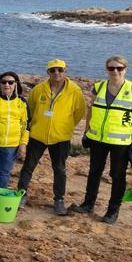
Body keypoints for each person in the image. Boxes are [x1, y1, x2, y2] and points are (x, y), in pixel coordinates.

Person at [71, 56, 132, 225]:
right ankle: (88, 204)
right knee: (94, 172)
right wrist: (86, 132)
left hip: (121, 142)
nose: (115, 71)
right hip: (97, 139)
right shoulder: (98, 87)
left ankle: (112, 212)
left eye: (119, 68)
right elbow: (91, 110)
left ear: (125, 69)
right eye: (112, 68)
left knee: (117, 176)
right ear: (107, 69)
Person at [17, 60, 87, 216]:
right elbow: (30, 109)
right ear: (48, 72)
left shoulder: (74, 91)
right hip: (37, 135)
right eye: (53, 70)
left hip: (60, 137)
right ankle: (21, 194)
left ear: (65, 71)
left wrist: (65, 126)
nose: (56, 73)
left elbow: (79, 113)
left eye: (60, 70)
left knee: (60, 169)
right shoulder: (39, 89)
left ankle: (59, 200)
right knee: (28, 166)